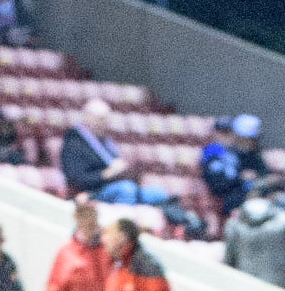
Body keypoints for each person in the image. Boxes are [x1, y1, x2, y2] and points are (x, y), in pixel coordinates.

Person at [61, 99, 204, 236]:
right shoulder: (74, 143)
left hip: (117, 184)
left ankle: (186, 221)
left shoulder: (106, 142)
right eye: (100, 118)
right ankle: (122, 232)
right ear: (87, 117)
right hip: (93, 191)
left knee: (157, 192)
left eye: (106, 119)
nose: (104, 123)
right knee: (126, 189)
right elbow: (77, 178)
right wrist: (107, 174)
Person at [199, 114, 278, 218]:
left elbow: (262, 173)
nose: (253, 142)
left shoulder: (248, 154)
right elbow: (217, 184)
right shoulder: (214, 152)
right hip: (231, 199)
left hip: (251, 195)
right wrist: (240, 178)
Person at [222, 195, 285, 291]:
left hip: (246, 286)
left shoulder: (234, 225)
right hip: (279, 286)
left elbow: (229, 260)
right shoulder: (284, 221)